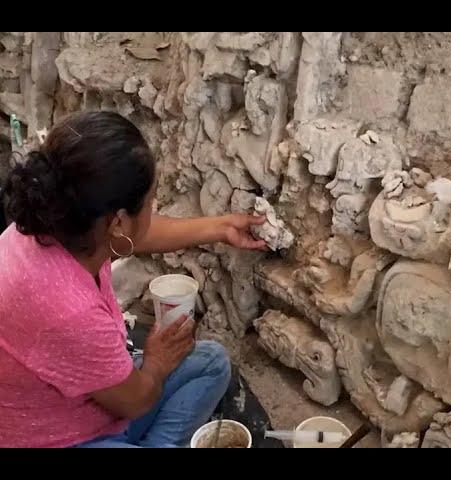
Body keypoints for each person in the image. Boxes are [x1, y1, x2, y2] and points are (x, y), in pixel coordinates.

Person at [0, 111, 267, 448]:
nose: (152, 209)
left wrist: (222, 227)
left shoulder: (59, 225)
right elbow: (136, 401)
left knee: (211, 363)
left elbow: (138, 234)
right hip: (57, 436)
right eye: (150, 201)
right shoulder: (70, 311)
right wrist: (156, 364)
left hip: (88, 404)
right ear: (118, 222)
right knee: (162, 381)